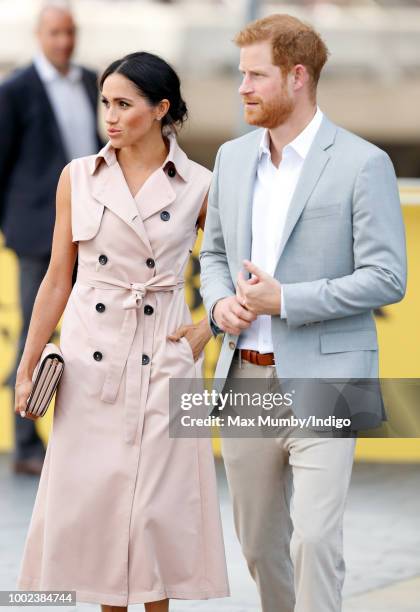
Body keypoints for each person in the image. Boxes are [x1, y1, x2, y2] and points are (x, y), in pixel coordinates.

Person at [199, 14, 407, 612]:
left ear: (297, 77)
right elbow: (213, 252)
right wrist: (219, 302)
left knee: (315, 540)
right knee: (261, 548)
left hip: (328, 377)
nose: (242, 88)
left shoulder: (362, 163)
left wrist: (285, 299)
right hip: (245, 377)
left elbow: (387, 277)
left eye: (255, 76)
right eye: (241, 75)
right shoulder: (232, 159)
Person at [14, 51, 229, 611]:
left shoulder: (200, 184)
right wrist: (28, 363)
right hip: (91, 363)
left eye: (124, 104)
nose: (110, 116)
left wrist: (210, 325)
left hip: (165, 359)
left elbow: (240, 263)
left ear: (160, 109)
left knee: (154, 519)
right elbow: (58, 278)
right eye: (105, 102)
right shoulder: (77, 177)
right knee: (101, 517)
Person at [0, 1, 102, 475]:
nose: (64, 41)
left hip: (91, 229)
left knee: (91, 331)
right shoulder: (15, 89)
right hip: (37, 231)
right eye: (56, 33)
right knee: (34, 333)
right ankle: (25, 443)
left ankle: (84, 433)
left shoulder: (89, 80)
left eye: (70, 32)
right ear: (40, 35)